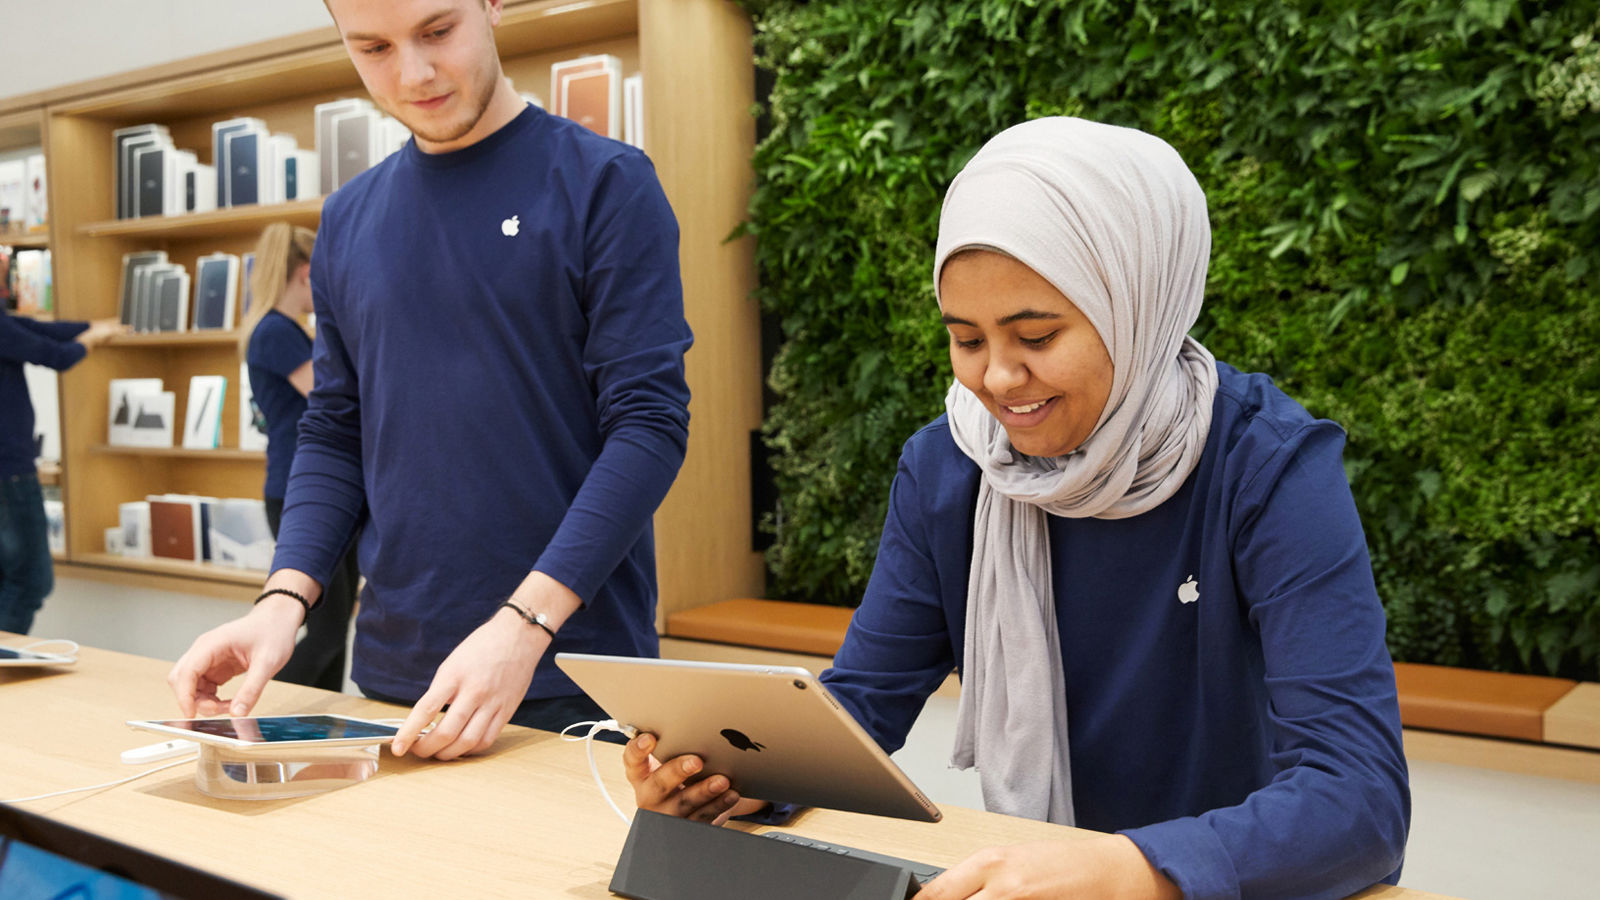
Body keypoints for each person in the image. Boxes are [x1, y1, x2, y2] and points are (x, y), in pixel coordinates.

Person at [624, 117, 1409, 900]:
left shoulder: (1267, 466)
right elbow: (865, 701)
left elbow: (1359, 798)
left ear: (1136, 305)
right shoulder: (950, 467)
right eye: (966, 339)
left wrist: (1130, 869)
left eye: (1035, 334)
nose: (998, 379)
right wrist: (738, 778)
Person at [168, 0, 692, 761]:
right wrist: (283, 600)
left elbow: (648, 425)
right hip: (388, 678)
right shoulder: (348, 219)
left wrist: (525, 626)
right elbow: (336, 427)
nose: (412, 74)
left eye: (438, 32)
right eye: (373, 47)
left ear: (492, 7)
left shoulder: (606, 184)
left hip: (570, 680)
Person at [238, 223, 361, 692]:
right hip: (301, 490)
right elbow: (329, 395)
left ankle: (318, 725)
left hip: (317, 490)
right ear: (307, 274)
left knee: (335, 632)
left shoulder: (284, 329)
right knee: (326, 630)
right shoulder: (275, 332)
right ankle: (258, 709)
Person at [1, 293, 123, 633]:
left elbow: (32, 329)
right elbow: (54, 354)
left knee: (11, 579)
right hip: (9, 473)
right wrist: (90, 339)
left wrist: (90, 326)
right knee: (30, 580)